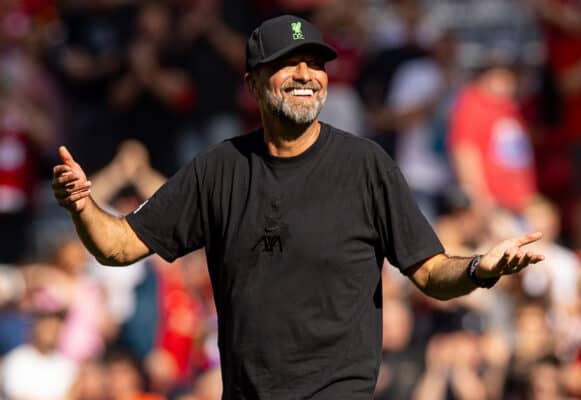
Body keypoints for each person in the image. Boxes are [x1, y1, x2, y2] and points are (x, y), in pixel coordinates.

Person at [52, 14, 545, 399]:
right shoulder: (218, 168)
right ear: (253, 84)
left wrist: (482, 267)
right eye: (289, 63)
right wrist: (81, 205)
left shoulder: (365, 164)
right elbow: (118, 248)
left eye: (316, 63)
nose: (306, 75)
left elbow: (431, 271)